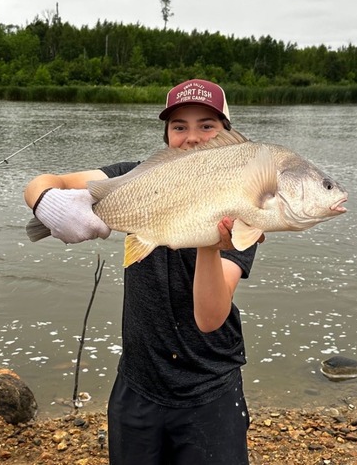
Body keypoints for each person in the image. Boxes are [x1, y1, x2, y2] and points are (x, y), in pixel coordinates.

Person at [24, 79, 260, 465]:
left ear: (227, 136)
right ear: (166, 134)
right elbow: (46, 182)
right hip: (138, 382)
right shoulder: (134, 177)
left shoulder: (244, 207)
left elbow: (210, 316)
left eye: (207, 125)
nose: (193, 137)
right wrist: (48, 205)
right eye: (179, 126)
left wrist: (209, 242)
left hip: (211, 387)